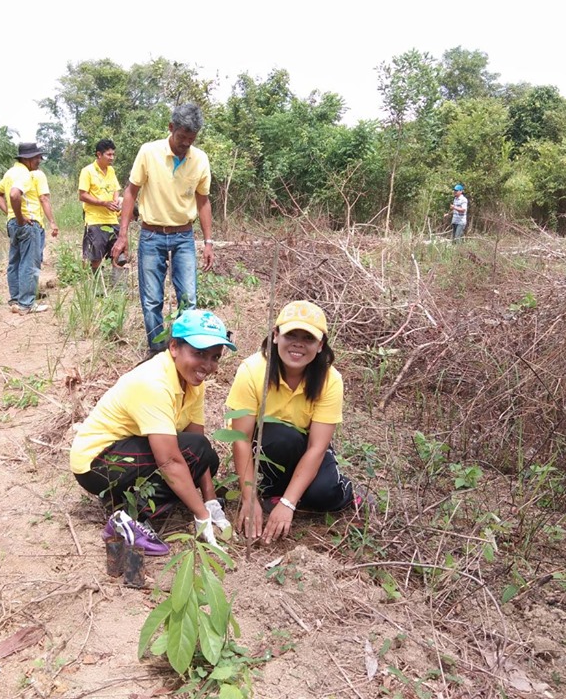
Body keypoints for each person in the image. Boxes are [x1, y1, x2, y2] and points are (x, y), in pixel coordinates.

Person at [70, 309, 235, 554]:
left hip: (128, 454)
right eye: (198, 353)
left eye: (214, 357)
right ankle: (127, 519)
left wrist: (210, 500)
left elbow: (198, 447)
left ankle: (121, 500)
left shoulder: (192, 383)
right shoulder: (154, 383)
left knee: (207, 456)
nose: (207, 365)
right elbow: (169, 460)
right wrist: (200, 515)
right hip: (97, 463)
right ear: (174, 347)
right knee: (188, 456)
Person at [226, 301, 369, 545]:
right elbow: (241, 440)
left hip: (307, 448)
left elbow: (317, 447)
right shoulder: (252, 370)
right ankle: (273, 491)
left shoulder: (330, 380)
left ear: (320, 345)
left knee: (323, 493)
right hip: (268, 445)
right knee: (280, 437)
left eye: (308, 338)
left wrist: (289, 504)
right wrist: (249, 499)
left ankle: (340, 492)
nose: (298, 344)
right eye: (291, 334)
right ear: (275, 336)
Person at [110, 103, 215, 352]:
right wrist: (122, 235)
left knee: (188, 300)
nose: (186, 144)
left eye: (191, 140)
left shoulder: (199, 159)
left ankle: (182, 352)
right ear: (171, 128)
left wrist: (209, 242)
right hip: (151, 235)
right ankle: (157, 354)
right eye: (182, 138)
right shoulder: (148, 152)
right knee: (151, 300)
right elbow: (130, 192)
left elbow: (203, 200)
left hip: (184, 237)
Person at [0, 142, 58, 314]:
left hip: (13, 224)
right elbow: (15, 194)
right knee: (29, 263)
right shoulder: (25, 175)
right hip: (28, 225)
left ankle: (16, 299)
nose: (39, 161)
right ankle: (26, 304)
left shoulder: (10, 173)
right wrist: (21, 217)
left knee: (15, 262)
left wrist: (11, 214)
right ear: (27, 158)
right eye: (37, 157)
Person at [78, 139, 124, 277]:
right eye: (109, 155)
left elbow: (116, 188)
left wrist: (115, 200)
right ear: (99, 154)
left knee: (119, 253)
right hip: (94, 220)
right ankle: (98, 289)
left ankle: (118, 286)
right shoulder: (87, 171)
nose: (112, 158)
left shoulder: (111, 171)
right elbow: (82, 195)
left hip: (112, 219)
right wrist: (104, 203)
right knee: (96, 256)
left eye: (113, 155)